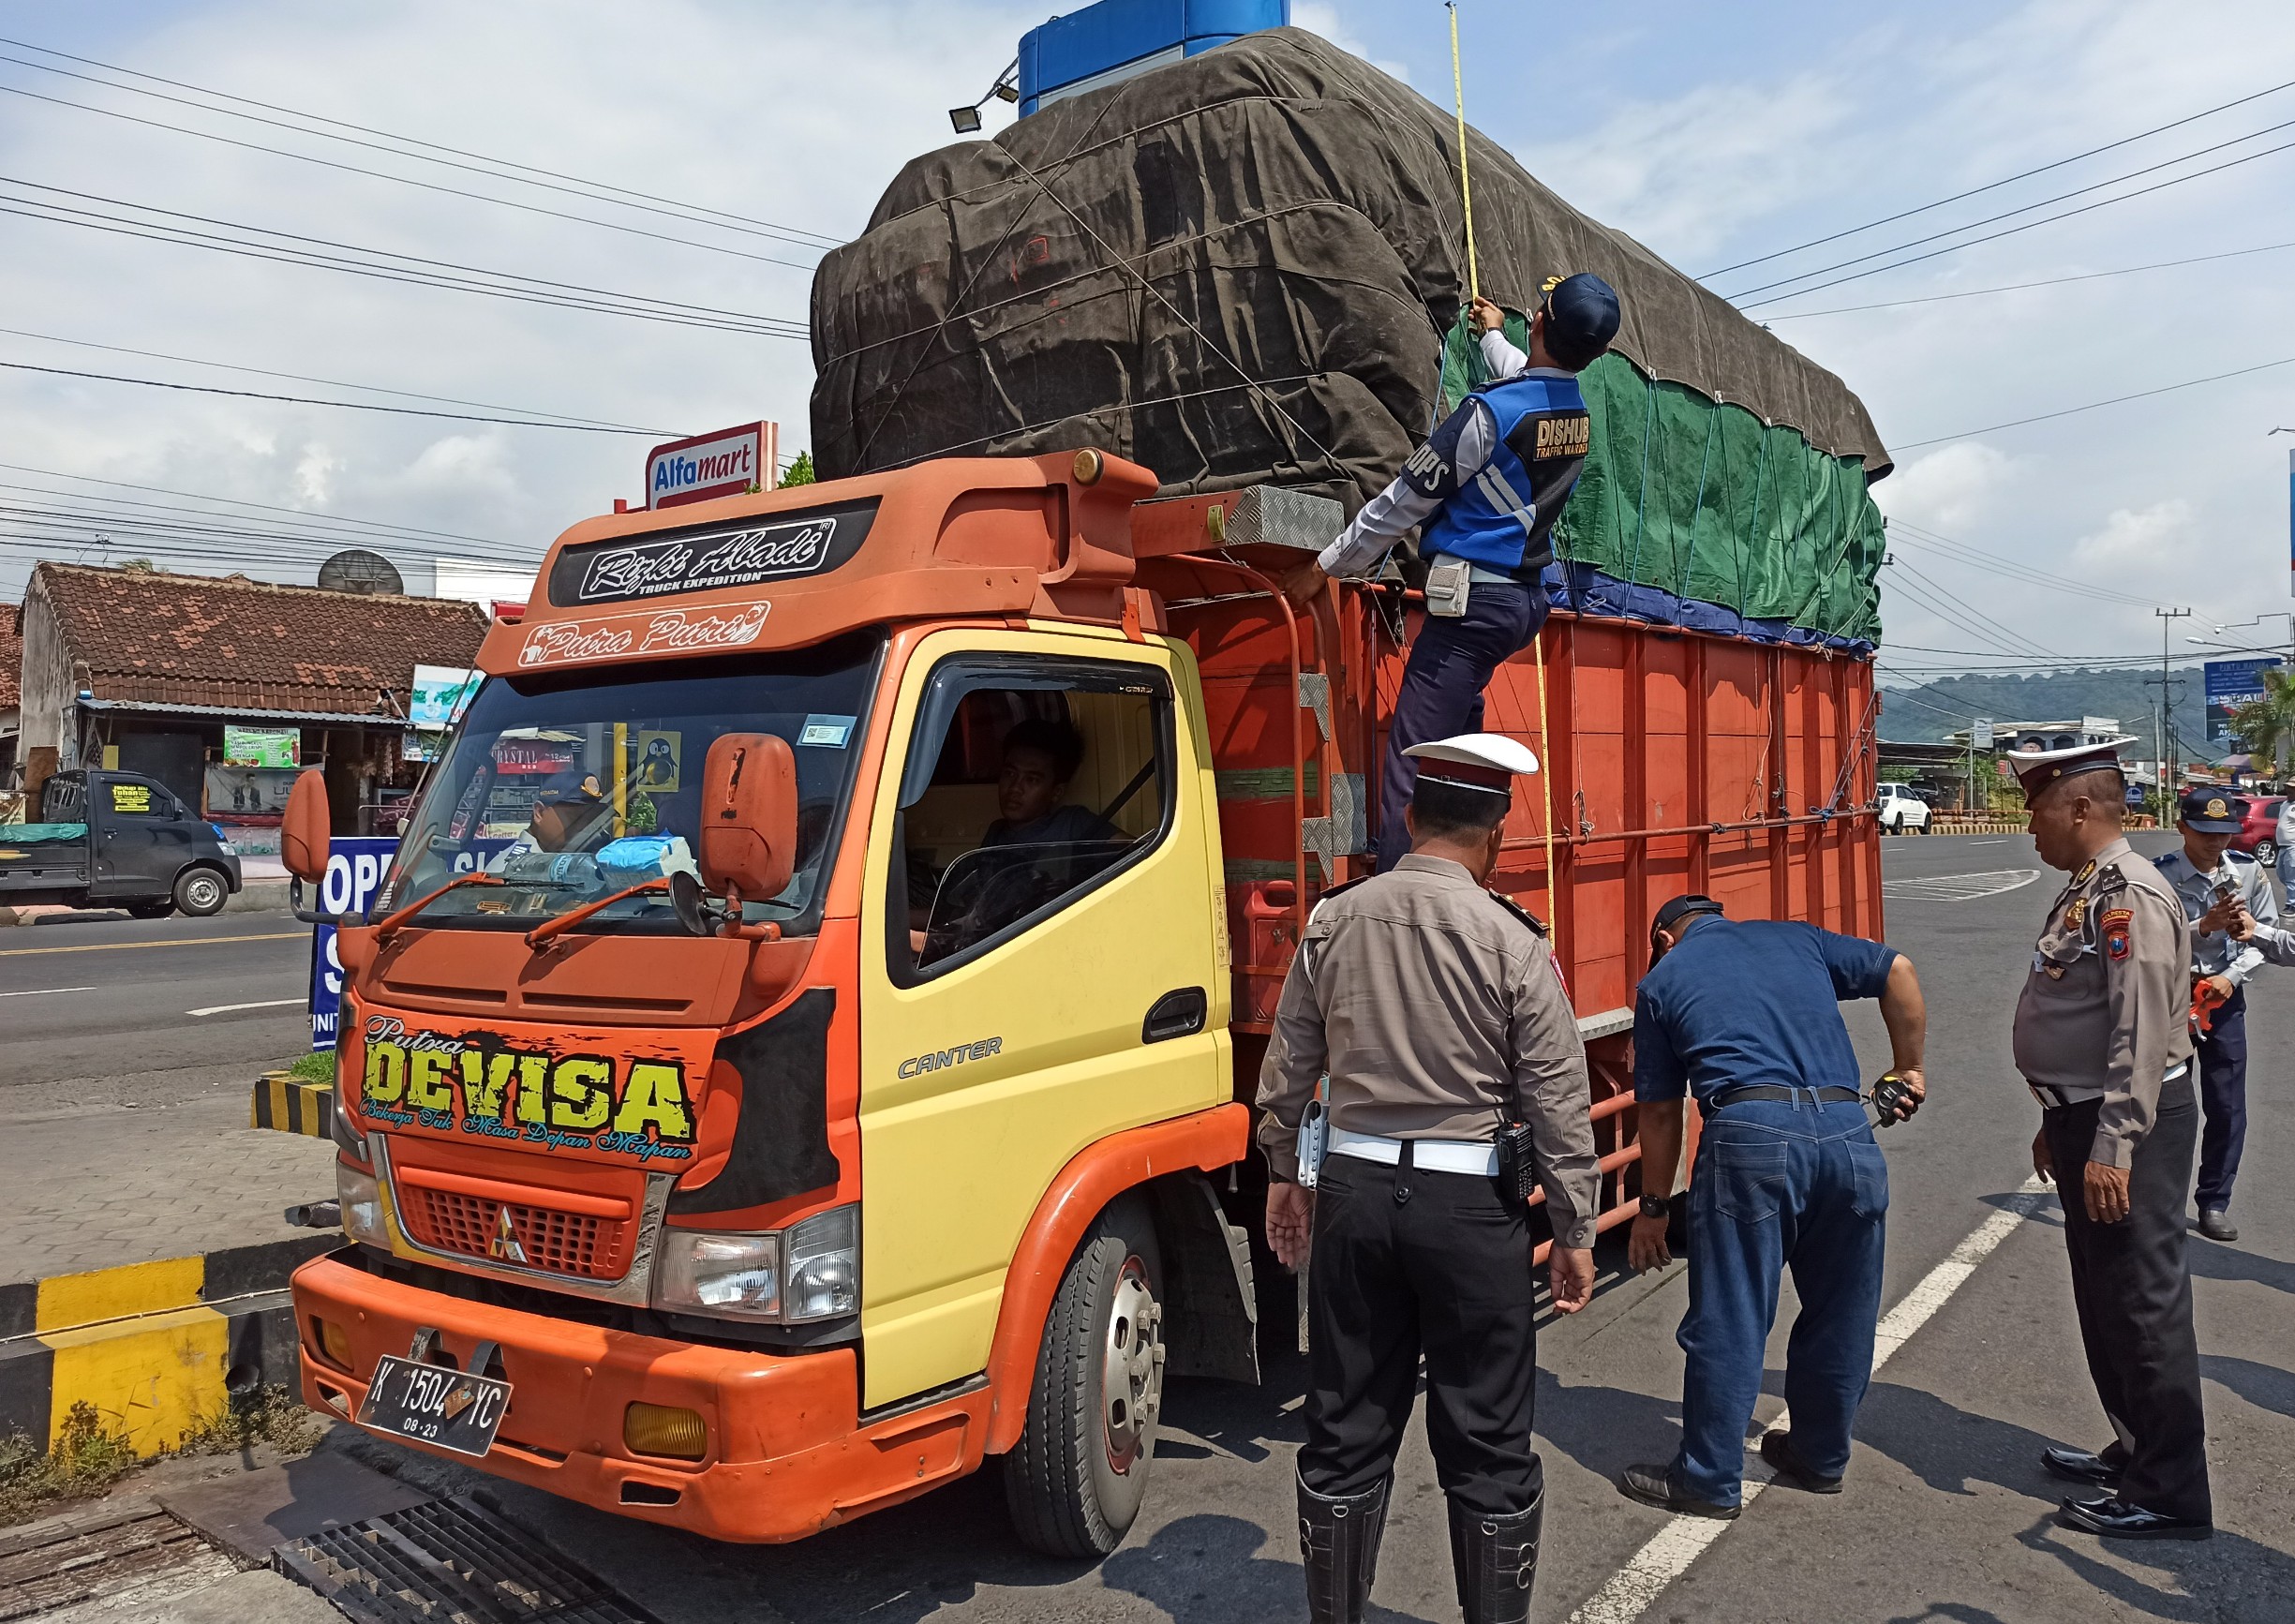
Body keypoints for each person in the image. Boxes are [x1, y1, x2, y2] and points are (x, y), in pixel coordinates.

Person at [1257, 733, 1600, 1624]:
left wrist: (1284, 1173)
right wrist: (1573, 1229)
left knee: (1343, 1429)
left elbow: (1291, 1059)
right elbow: (1557, 1095)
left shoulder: (1333, 920)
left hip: (1354, 1195)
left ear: (1409, 816)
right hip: (1469, 1209)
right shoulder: (1512, 940)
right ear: (1495, 834)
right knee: (1486, 1438)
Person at [1284, 274, 1623, 872]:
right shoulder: (1573, 411)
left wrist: (1327, 565)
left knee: (1413, 760)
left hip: (1472, 607)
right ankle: (1458, 866)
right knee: (1456, 752)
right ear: (1594, 355)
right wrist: (1493, 336)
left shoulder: (1486, 414)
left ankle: (1396, 891)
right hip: (1520, 607)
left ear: (1539, 321)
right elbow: (1531, 377)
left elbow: (1405, 499)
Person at [1617, 896, 1927, 1518]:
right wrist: (1908, 1067)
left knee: (1731, 1314)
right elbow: (1897, 969)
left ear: (1662, 937)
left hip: (1751, 1137)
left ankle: (1707, 1478)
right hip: (1848, 1132)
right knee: (1842, 1309)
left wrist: (1651, 1207)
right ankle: (1819, 1456)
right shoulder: (1796, 938)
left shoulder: (1662, 980)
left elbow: (1657, 1111)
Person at [2010, 739, 2212, 1541]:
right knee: (2103, 1295)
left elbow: (2140, 1033)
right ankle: (2133, 1447)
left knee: (2141, 1301)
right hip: (2084, 1111)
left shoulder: (2131, 896)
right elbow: (2085, 1024)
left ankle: (2169, 1490)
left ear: (2080, 807)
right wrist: (2055, 1116)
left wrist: (2112, 1140)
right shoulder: (2087, 890)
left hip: (2130, 1119)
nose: (2030, 825)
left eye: (2037, 808)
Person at [2150, 788, 2276, 1243]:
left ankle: (2214, 1201)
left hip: (2223, 999)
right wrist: (2202, 926)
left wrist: (2234, 976)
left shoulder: (2247, 872)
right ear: (2182, 827)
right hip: (2171, 1000)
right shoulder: (2158, 877)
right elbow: (2149, 942)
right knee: (2160, 1103)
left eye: (2224, 834)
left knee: (2226, 1106)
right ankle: (2157, 1199)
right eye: (2204, 832)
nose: (2214, 843)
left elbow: (2263, 936)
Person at [980, 718, 1118, 848]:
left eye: (1032, 779)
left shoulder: (1072, 824)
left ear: (1056, 792)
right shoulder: (996, 833)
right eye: (1010, 773)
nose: (1015, 788)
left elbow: (1134, 855)